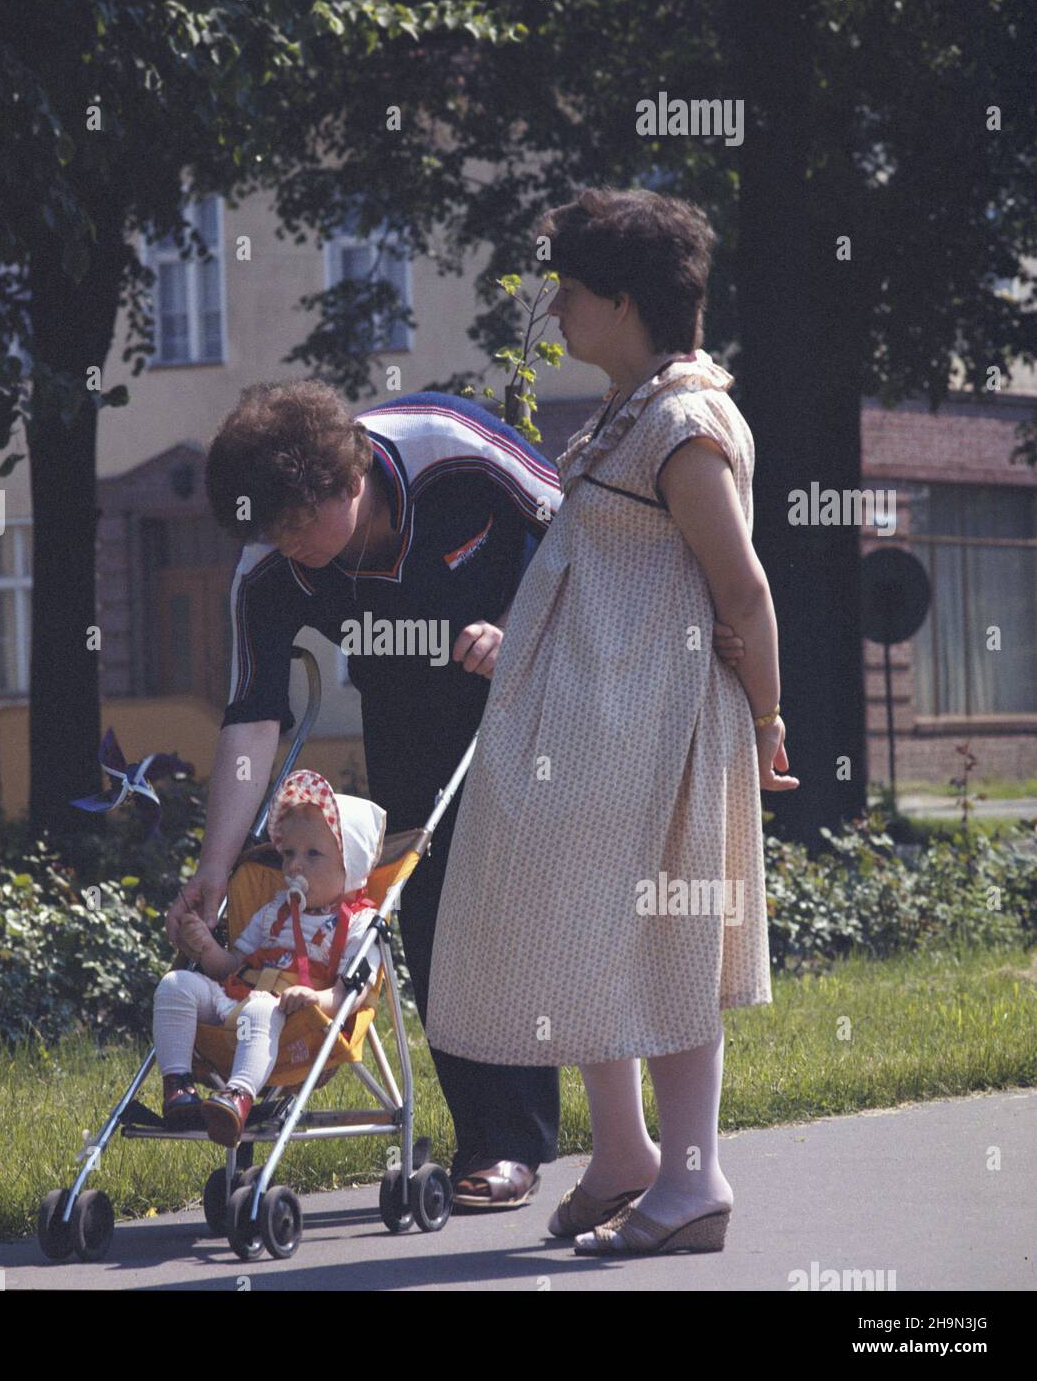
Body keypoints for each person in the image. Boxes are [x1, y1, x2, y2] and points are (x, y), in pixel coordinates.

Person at [171, 378, 744, 1208]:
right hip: (404, 706)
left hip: (539, 676)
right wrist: (216, 866)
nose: (285, 544)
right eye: (269, 529)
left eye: (298, 523)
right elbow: (253, 718)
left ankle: (604, 1144)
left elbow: (587, 533)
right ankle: (498, 1143)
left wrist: (519, 623)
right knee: (430, 906)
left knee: (538, 905)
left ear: (353, 476)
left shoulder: (450, 447)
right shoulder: (267, 564)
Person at [423, 186, 800, 1255]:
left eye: (572, 291)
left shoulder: (683, 422)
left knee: (668, 937)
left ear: (625, 300)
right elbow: (602, 571)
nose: (555, 312)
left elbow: (742, 587)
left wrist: (769, 722)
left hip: (657, 725)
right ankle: (627, 1153)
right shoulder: (629, 415)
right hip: (596, 726)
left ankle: (693, 1182)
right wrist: (522, 638)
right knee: (581, 924)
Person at [154, 768, 385, 1146]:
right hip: (238, 1002)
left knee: (263, 1006)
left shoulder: (360, 924)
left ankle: (239, 1096)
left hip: (303, 1024)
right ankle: (178, 1086)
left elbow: (352, 993)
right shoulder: (274, 911)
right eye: (290, 853)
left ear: (352, 867)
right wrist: (207, 949)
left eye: (313, 854)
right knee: (175, 985)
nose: (294, 865)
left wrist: (318, 999)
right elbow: (234, 969)